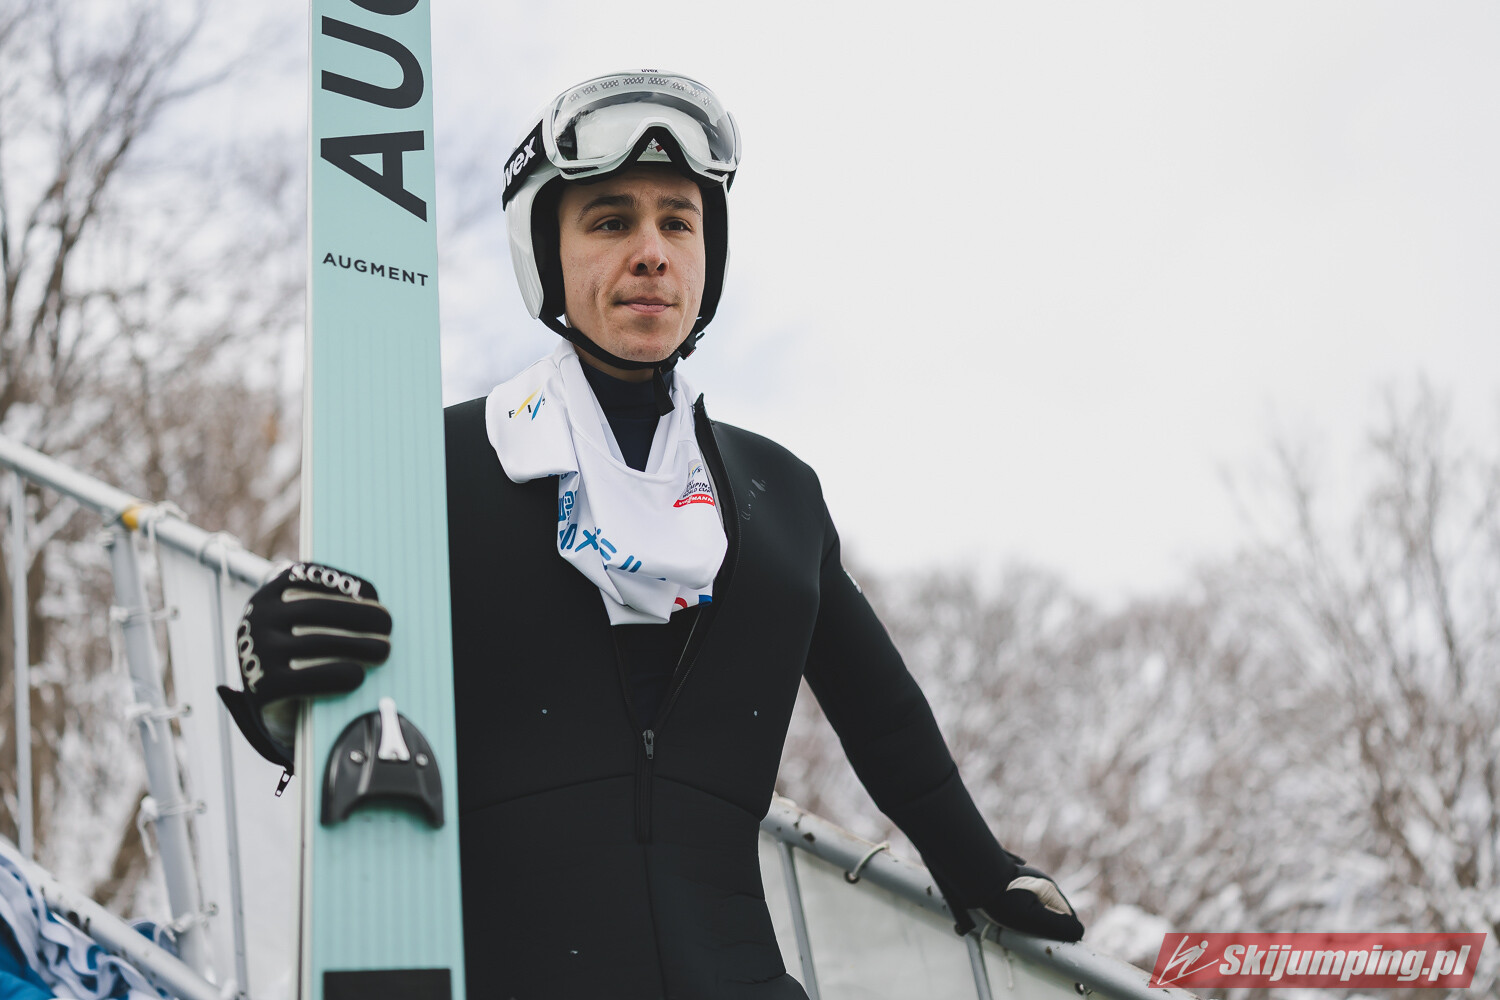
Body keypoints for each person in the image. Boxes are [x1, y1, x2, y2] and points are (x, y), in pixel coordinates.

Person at [220, 70, 1084, 999]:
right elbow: (345, 700)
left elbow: (884, 719)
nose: (651, 254)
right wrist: (276, 691)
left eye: (679, 223)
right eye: (609, 222)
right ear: (546, 256)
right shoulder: (439, 465)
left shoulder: (779, 495)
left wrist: (982, 871)